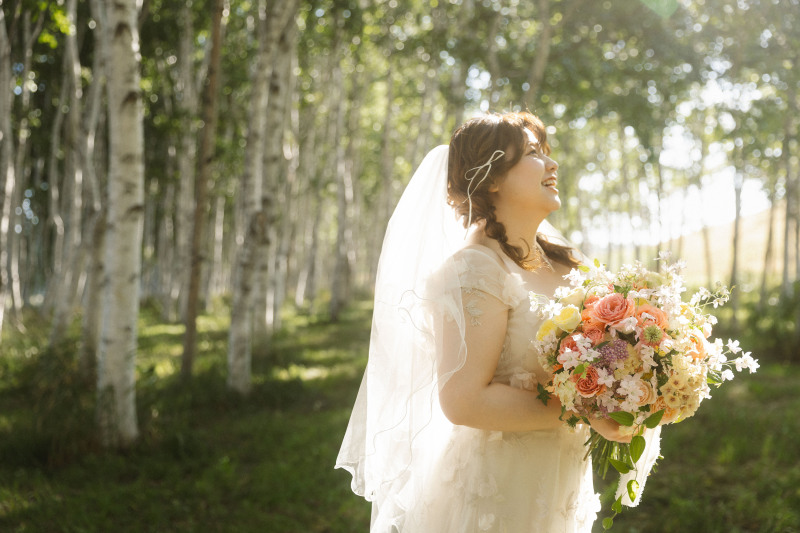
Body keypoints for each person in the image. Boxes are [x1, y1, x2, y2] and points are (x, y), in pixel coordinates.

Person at [336, 111, 630, 532]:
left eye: (546, 152)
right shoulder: (475, 270)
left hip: (559, 485)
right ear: (491, 179)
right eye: (533, 153)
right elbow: (464, 400)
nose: (552, 164)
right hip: (499, 491)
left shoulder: (567, 262)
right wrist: (585, 409)